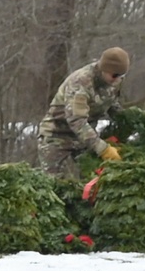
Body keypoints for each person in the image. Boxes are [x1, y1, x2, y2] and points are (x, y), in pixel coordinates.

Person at [38, 48, 129, 177]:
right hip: (57, 134)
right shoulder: (81, 82)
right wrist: (103, 149)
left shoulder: (115, 81)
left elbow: (111, 104)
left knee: (93, 178)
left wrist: (125, 121)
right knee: (53, 183)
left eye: (121, 75)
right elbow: (77, 121)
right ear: (104, 69)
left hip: (85, 138)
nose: (117, 79)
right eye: (114, 75)